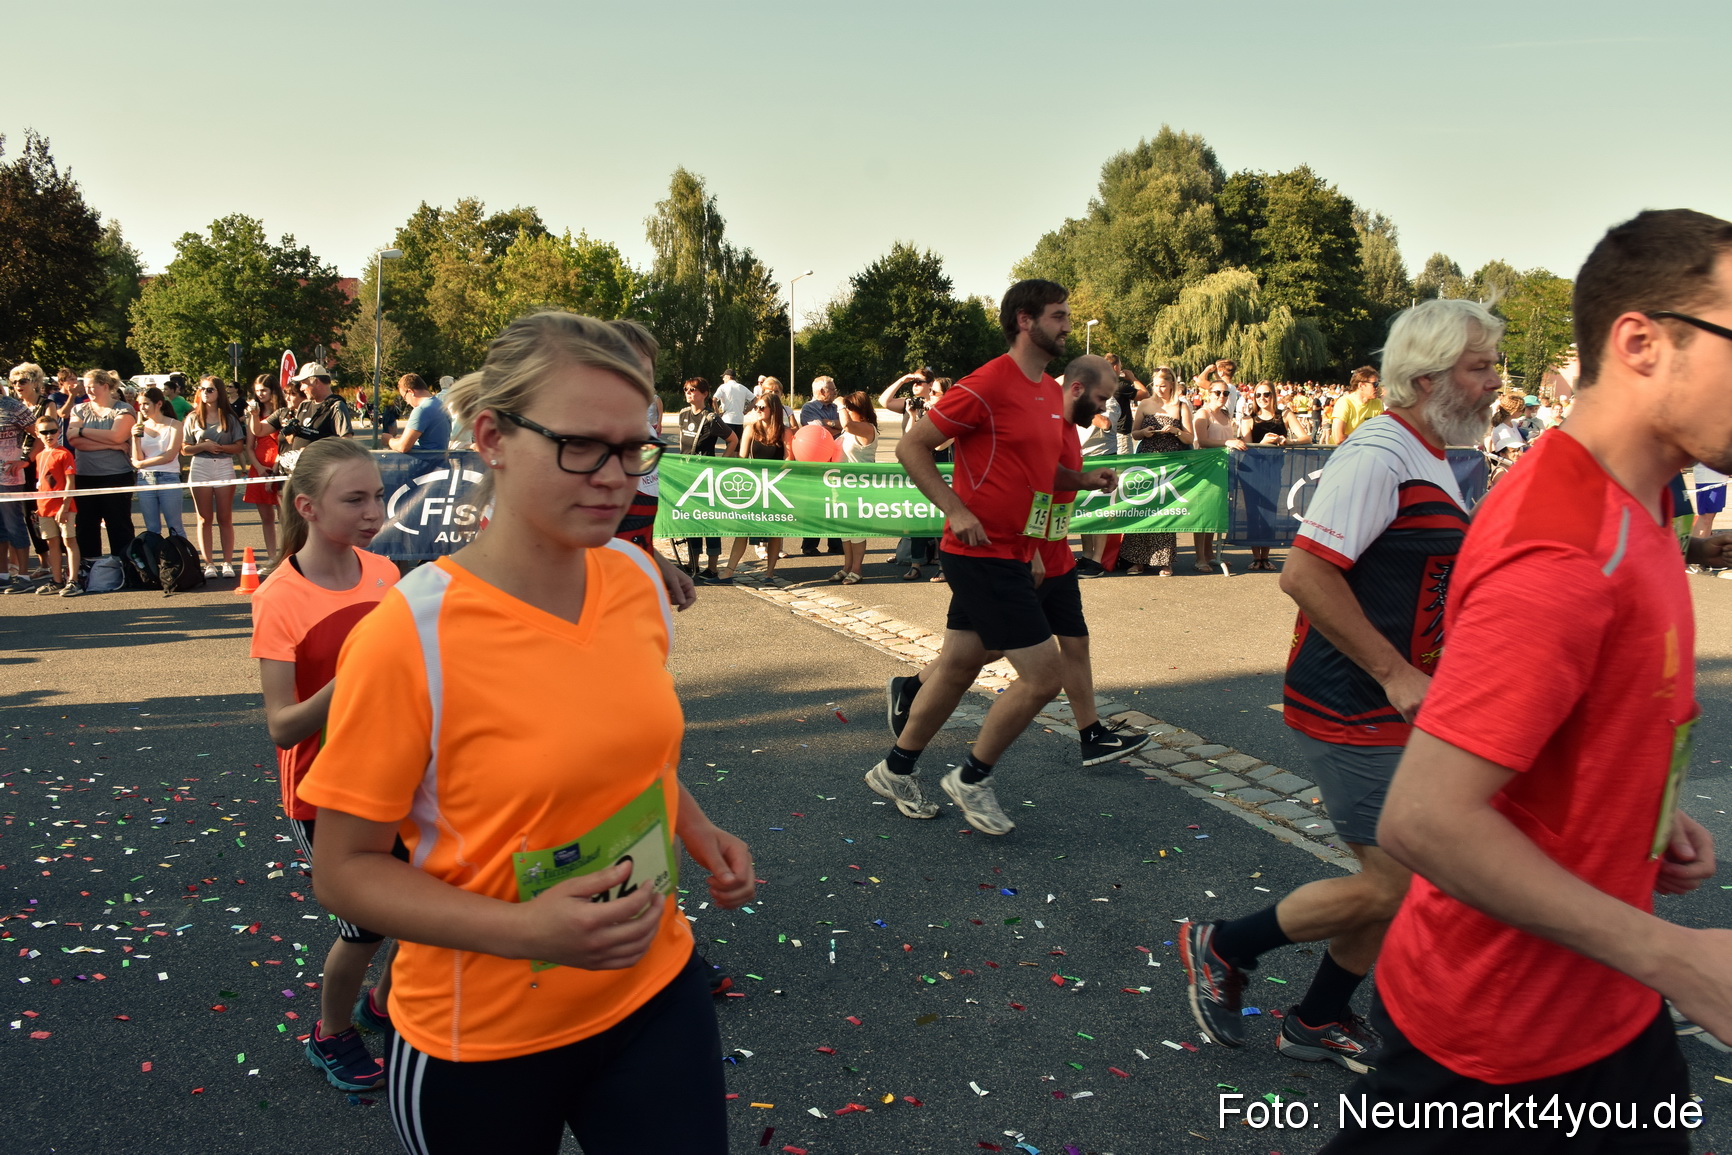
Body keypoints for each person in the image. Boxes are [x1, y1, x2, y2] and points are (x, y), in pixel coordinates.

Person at [1321, 208, 1732, 1154]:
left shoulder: (1647, 491)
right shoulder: (1562, 543)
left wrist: (1642, 803)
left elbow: (1577, 709)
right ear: (1642, 342)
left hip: (1602, 1007)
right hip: (1502, 1047)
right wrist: (1679, 958)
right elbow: (1424, 819)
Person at [297, 310, 750, 1154]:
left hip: (652, 989)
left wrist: (696, 825)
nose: (618, 477)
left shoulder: (636, 579)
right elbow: (344, 871)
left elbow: (626, 747)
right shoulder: (409, 635)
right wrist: (526, 932)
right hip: (483, 1040)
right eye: (583, 445)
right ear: (493, 437)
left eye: (636, 449)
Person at [1180, 297, 1504, 1075]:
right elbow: (1305, 573)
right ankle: (1223, 944)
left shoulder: (1430, 451)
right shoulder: (1378, 454)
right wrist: (1396, 673)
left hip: (1398, 703)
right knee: (1398, 879)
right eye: (1481, 366)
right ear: (1425, 378)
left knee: (1397, 877)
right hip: (1351, 700)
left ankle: (1319, 1015)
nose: (1497, 382)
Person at [869, 279, 1116, 835]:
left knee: (956, 667)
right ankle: (973, 778)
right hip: (977, 551)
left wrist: (1081, 479)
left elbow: (1039, 471)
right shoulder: (987, 384)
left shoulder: (1048, 393)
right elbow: (914, 447)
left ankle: (895, 768)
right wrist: (954, 508)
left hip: (1013, 550)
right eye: (1058, 316)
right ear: (1025, 321)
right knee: (1043, 676)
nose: (1067, 326)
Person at [890, 355, 1149, 766]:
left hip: (1052, 548)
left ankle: (1091, 733)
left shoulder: (1062, 420)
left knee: (1072, 642)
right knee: (980, 655)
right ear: (1076, 390)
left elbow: (1048, 480)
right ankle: (922, 711)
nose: (1105, 410)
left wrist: (1083, 481)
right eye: (1102, 399)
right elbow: (1029, 490)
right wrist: (1030, 550)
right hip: (1024, 551)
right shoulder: (1038, 415)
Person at [249, 437, 400, 1093]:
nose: (374, 511)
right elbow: (282, 725)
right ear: (308, 506)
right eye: (356, 498)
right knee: (365, 927)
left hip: (399, 773)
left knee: (431, 899)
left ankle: (384, 1004)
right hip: (323, 792)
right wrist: (352, 683)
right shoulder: (281, 595)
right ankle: (330, 1031)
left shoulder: (385, 573)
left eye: (379, 495)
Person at [606, 319, 696, 615]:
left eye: (645, 377)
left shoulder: (645, 437)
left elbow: (625, 528)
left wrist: (656, 560)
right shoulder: (572, 445)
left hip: (634, 606)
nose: (637, 387)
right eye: (624, 374)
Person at [1119, 367, 1193, 576]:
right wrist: (1143, 432)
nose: (1159, 389)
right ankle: (1137, 559)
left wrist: (1177, 431)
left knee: (1165, 510)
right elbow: (1134, 434)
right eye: (1156, 385)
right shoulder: (1145, 404)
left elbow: (1190, 438)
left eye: (1163, 385)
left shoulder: (1180, 406)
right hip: (1147, 462)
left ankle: (1164, 560)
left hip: (1171, 464)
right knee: (1142, 507)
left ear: (1171, 384)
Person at [718, 392, 794, 585]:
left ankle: (769, 573)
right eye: (756, 407)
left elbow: (789, 458)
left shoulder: (785, 432)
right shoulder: (751, 429)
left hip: (776, 486)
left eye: (762, 407)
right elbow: (742, 457)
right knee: (743, 529)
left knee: (774, 532)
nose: (757, 411)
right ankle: (728, 571)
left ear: (773, 410)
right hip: (753, 485)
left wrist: (773, 474)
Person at [67, 369, 136, 565]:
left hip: (116, 475)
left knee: (119, 525)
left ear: (105, 386)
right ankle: (90, 569)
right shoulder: (79, 409)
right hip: (85, 475)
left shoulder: (123, 409)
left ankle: (125, 568)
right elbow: (74, 441)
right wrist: (110, 445)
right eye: (86, 386)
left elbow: (118, 436)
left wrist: (82, 431)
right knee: (86, 526)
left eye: (92, 386)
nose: (87, 390)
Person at [182, 376, 245, 578]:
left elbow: (238, 446)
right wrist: (203, 446)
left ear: (219, 392)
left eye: (210, 389)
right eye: (203, 389)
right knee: (203, 518)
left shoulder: (230, 417)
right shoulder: (192, 417)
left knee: (225, 517)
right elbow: (185, 449)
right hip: (200, 465)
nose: (206, 393)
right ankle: (209, 563)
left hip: (224, 465)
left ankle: (227, 562)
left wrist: (219, 448)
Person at [675, 376, 736, 582]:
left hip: (706, 477)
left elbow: (732, 440)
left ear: (704, 394)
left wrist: (719, 465)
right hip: (686, 476)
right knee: (689, 521)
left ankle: (712, 567)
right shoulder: (683, 414)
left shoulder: (711, 418)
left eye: (693, 390)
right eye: (686, 389)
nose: (689, 393)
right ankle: (693, 564)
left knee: (708, 521)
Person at [1189, 377, 1246, 573]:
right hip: (1205, 469)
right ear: (1208, 393)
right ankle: (1199, 558)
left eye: (1226, 393)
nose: (1222, 396)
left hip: (1223, 467)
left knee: (1213, 512)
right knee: (1202, 514)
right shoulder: (1203, 414)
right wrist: (1227, 443)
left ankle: (1210, 554)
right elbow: (1202, 441)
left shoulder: (1225, 414)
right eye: (1217, 392)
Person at [1237, 384, 1294, 572]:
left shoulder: (1284, 415)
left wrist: (1287, 441)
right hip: (1251, 470)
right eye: (1258, 395)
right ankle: (1256, 558)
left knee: (1270, 511)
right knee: (1254, 512)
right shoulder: (1248, 419)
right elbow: (1246, 446)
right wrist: (1262, 443)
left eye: (1266, 394)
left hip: (1274, 470)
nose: (1262, 398)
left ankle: (1266, 557)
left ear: (1273, 395)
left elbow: (1306, 438)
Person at [129, 388, 187, 541]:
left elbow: (169, 455)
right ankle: (155, 561)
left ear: (159, 404)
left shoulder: (175, 425)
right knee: (152, 529)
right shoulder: (141, 426)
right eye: (140, 404)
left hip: (168, 477)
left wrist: (141, 463)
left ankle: (183, 560)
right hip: (145, 480)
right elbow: (137, 457)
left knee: (175, 527)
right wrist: (135, 438)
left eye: (146, 404)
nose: (142, 408)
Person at [833, 390, 879, 584]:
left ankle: (857, 569)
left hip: (858, 486)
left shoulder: (867, 428)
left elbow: (846, 424)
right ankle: (847, 566)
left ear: (858, 408)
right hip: (841, 484)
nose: (846, 411)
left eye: (850, 408)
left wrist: (840, 404)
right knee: (844, 529)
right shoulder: (849, 429)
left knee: (856, 529)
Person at [32, 416, 80, 596]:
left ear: (59, 432)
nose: (49, 435)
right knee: (52, 543)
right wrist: (39, 507)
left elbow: (70, 482)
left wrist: (65, 506)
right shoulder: (39, 455)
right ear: (37, 434)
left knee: (69, 541)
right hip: (45, 507)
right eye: (44, 432)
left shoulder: (64, 453)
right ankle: (57, 580)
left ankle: (73, 580)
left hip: (63, 507)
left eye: (52, 431)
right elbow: (42, 482)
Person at [244, 376, 288, 568]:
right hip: (259, 467)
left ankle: (286, 555)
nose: (260, 394)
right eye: (257, 391)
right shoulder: (254, 414)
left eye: (264, 390)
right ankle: (271, 557)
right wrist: (260, 469)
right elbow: (248, 446)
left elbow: (288, 442)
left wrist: (275, 469)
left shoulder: (284, 412)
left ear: (273, 391)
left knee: (284, 516)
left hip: (280, 464)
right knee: (266, 518)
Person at [799, 376, 844, 558]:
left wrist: (829, 424)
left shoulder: (836, 408)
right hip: (816, 463)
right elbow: (819, 433)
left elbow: (846, 427)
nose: (835, 392)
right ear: (822, 392)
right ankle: (809, 545)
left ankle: (835, 543)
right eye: (833, 389)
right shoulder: (808, 408)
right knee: (814, 503)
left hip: (836, 458)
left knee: (836, 501)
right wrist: (835, 426)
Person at [277, 363, 352, 456]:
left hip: (321, 468)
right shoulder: (304, 405)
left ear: (316, 382)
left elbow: (347, 444)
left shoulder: (336, 406)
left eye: (303, 383)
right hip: (300, 466)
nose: (301, 388)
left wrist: (314, 451)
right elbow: (292, 441)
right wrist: (291, 431)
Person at [387, 373, 451, 454]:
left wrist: (389, 440)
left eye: (404, 397)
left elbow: (403, 447)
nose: (407, 402)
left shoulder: (422, 410)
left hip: (425, 463)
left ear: (410, 392)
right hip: (440, 461)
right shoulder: (440, 405)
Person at [1331, 366, 1383, 444]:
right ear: (1361, 386)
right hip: (1340, 453)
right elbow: (1339, 438)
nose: (1377, 387)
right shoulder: (1344, 403)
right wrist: (1367, 438)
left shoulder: (1377, 403)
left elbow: (1381, 434)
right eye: (1375, 384)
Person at [714, 368, 752, 448]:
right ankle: (737, 460)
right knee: (737, 446)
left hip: (727, 420)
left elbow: (714, 399)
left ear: (728, 377)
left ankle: (728, 460)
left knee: (730, 446)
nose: (723, 379)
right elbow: (755, 399)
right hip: (739, 420)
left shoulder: (723, 387)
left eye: (724, 377)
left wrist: (717, 413)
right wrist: (746, 411)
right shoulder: (742, 387)